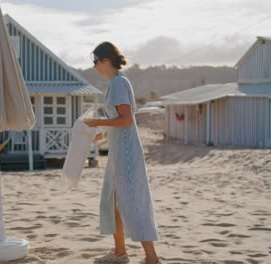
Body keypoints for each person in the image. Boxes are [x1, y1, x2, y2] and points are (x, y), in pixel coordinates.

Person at [84, 42, 161, 264]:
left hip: (126, 155)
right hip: (118, 153)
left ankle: (151, 258)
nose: (94, 66)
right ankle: (119, 253)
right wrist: (100, 135)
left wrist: (96, 121)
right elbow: (118, 123)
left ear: (105, 61)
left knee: (133, 203)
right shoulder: (115, 83)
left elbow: (127, 120)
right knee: (112, 202)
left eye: (95, 61)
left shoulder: (118, 83)